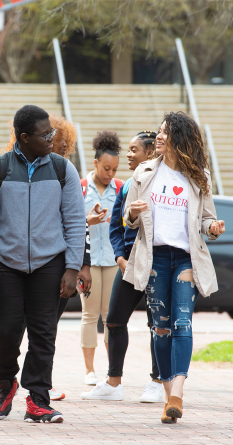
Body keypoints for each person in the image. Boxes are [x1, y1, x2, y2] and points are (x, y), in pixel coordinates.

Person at [0, 105, 85, 423]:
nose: (52, 137)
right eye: (45, 134)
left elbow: (76, 222)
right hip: (6, 264)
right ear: (24, 138)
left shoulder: (64, 170)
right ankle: (5, 383)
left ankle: (38, 399)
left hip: (50, 263)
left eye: (52, 132)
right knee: (5, 333)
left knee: (43, 333)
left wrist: (72, 267)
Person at [122, 112, 225, 424]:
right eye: (159, 132)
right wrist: (133, 213)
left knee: (183, 322)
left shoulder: (198, 176)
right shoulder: (144, 172)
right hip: (153, 258)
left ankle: (177, 392)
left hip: (185, 259)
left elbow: (207, 219)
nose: (159, 137)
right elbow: (127, 218)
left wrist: (213, 227)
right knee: (161, 327)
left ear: (180, 138)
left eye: (166, 132)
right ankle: (169, 397)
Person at [81, 130, 164, 403]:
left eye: (133, 150)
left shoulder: (163, 182)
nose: (128, 154)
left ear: (150, 152)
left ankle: (156, 381)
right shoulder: (127, 185)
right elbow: (117, 226)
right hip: (128, 264)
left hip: (157, 263)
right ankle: (113, 383)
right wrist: (120, 258)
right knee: (114, 320)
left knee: (157, 325)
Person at [78, 130, 122, 386]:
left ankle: (111, 371)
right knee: (90, 314)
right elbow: (70, 223)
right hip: (89, 262)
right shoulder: (81, 188)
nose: (111, 174)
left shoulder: (120, 188)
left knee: (111, 316)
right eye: (106, 168)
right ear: (95, 163)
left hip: (113, 260)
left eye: (115, 169)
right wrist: (88, 220)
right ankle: (89, 370)